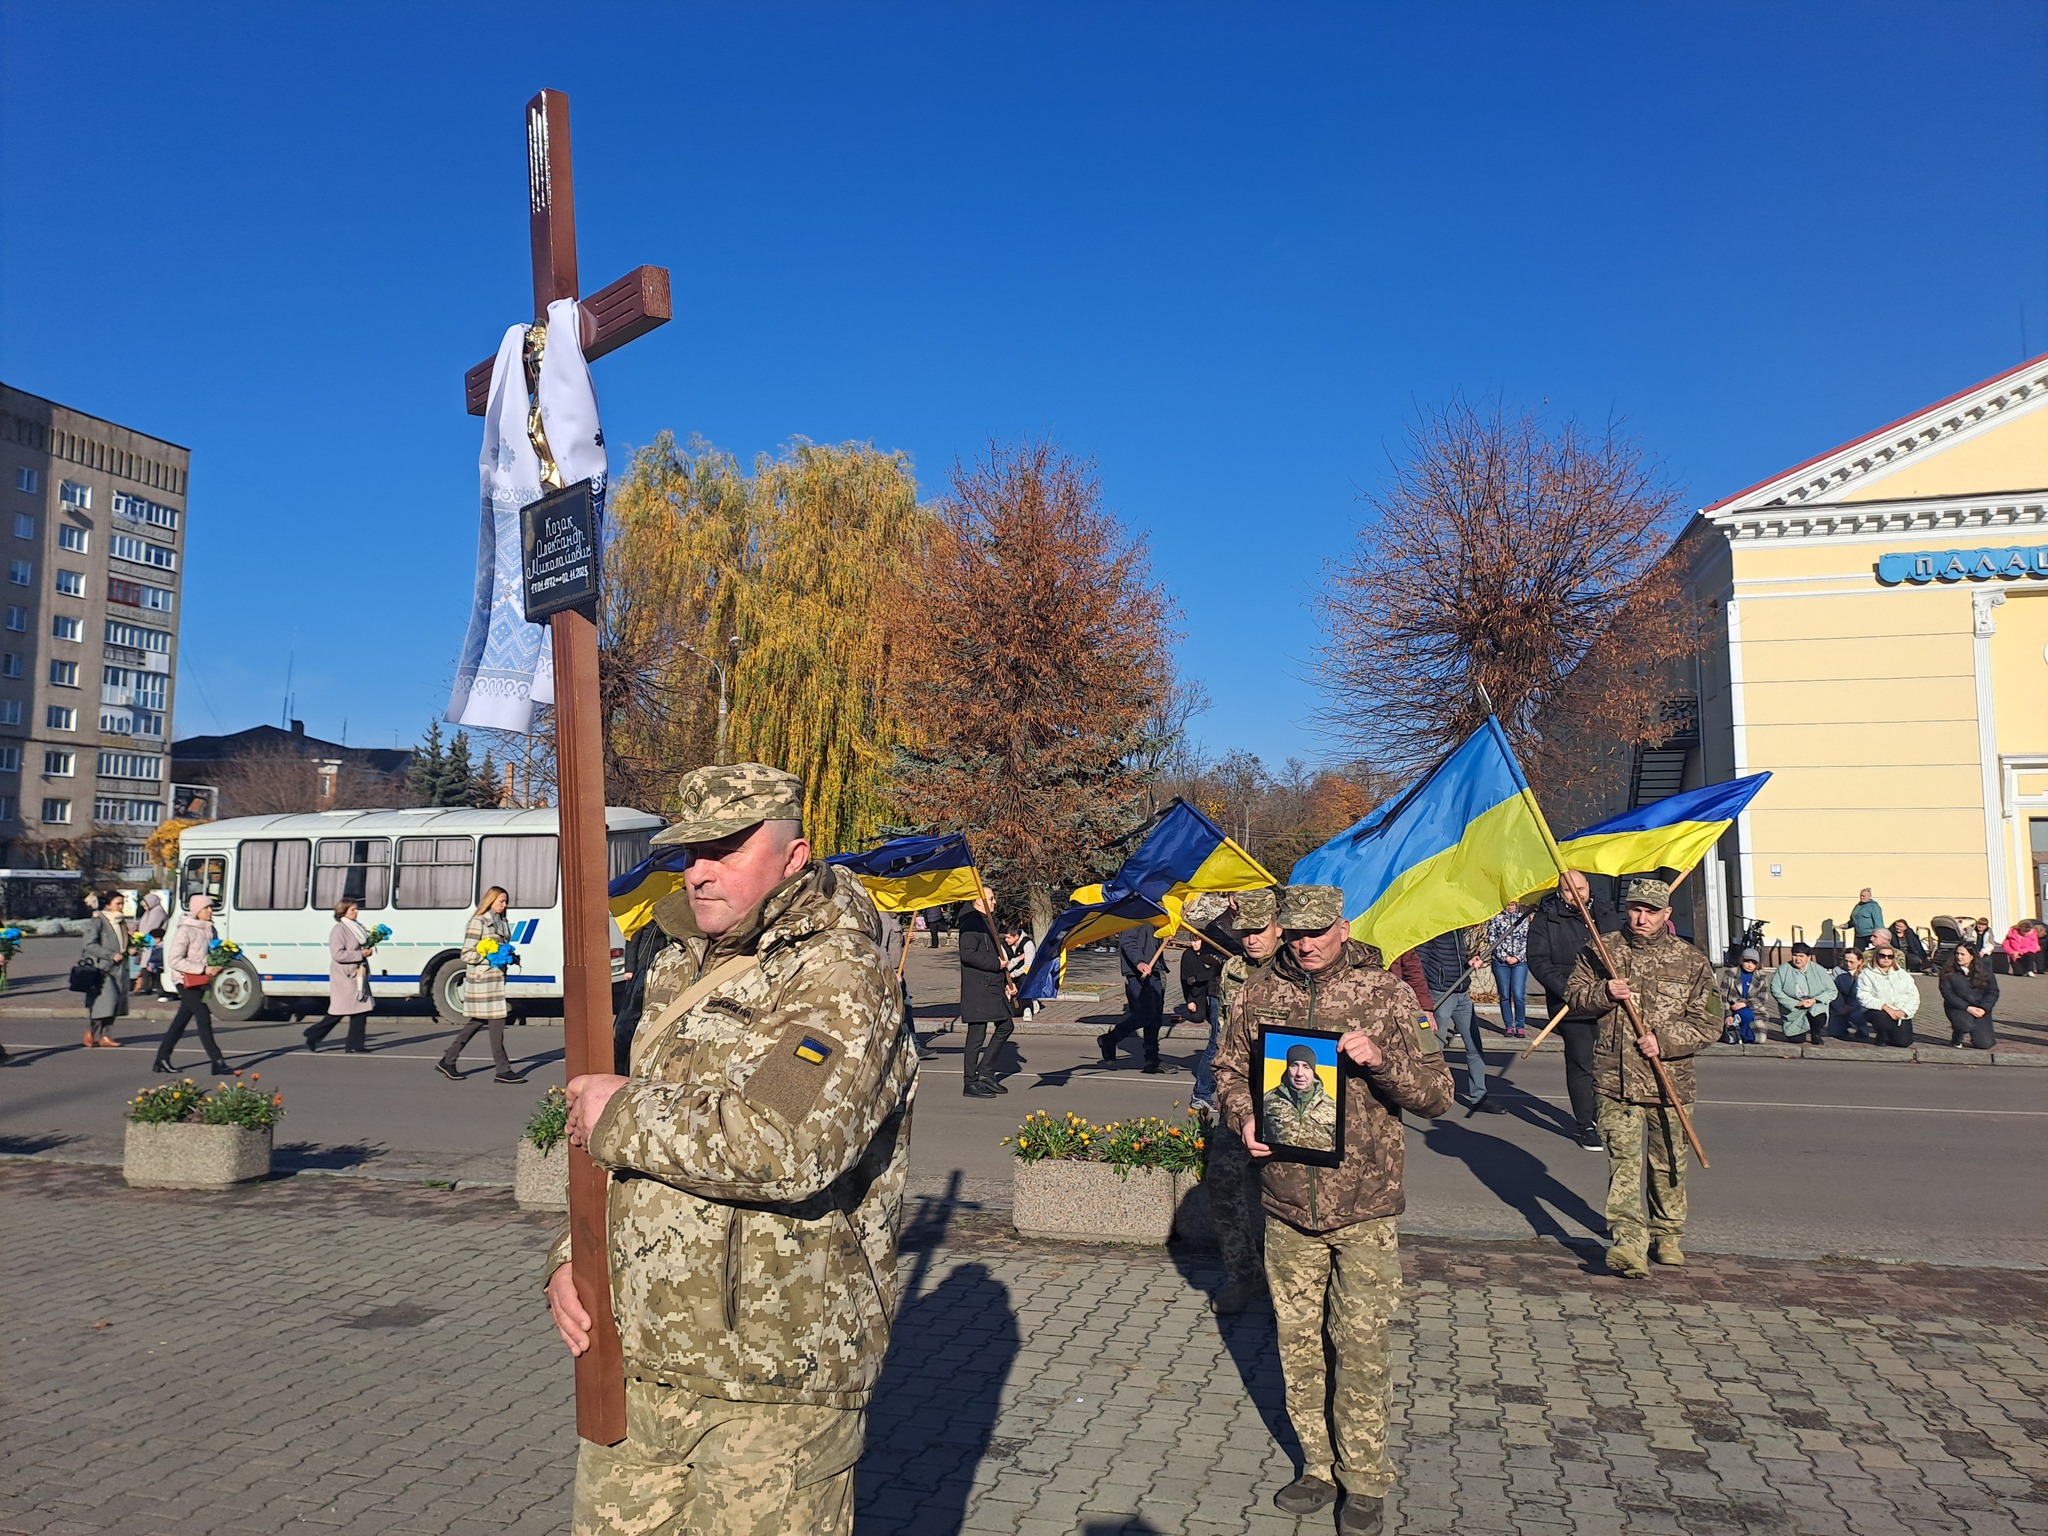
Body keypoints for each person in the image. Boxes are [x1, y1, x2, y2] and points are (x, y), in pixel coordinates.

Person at [545, 763, 915, 1536]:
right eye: (690, 852)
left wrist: (624, 1109)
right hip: (637, 1359)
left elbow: (786, 1144)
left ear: (794, 856)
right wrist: (571, 1257)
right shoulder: (672, 959)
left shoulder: (840, 976)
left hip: (774, 1382)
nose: (700, 871)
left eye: (726, 849)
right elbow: (613, 1145)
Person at [1213, 885, 1452, 1533]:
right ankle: (1317, 1467)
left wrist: (1383, 1063)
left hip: (1364, 1207)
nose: (1305, 944)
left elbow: (1438, 1094)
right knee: (1298, 1347)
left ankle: (1365, 1479)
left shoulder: (1387, 994)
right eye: (1294, 933)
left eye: (1316, 931)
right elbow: (1228, 1071)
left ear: (1343, 927)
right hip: (1287, 1200)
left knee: (1361, 1348)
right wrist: (1245, 1117)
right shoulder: (1258, 992)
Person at [1564, 874, 1721, 1278]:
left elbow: (1709, 1022)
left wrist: (1663, 1041)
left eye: (1651, 911)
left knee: (1668, 1163)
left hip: (1670, 1082)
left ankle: (1667, 1234)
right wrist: (1604, 992)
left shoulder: (1691, 961)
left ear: (1666, 914)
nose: (1641, 918)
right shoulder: (1602, 950)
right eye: (1635, 909)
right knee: (1624, 1164)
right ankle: (1629, 1243)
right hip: (1614, 1081)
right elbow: (1573, 998)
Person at [1206, 886, 1279, 1315]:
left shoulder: (1296, 966)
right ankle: (1244, 1275)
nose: (1251, 939)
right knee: (1222, 1179)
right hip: (1241, 1098)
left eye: (1259, 930)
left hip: (1288, 1094)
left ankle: (1287, 1283)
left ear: (1278, 926)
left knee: (1284, 1190)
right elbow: (1223, 1036)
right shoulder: (1233, 970)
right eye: (1244, 931)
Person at [1526, 870, 1624, 1150]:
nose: (1576, 895)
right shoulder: (1547, 918)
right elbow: (1538, 960)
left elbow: (1624, 950)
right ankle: (1586, 1124)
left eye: (1580, 889)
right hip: (1571, 1004)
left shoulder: (1605, 912)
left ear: (1588, 887)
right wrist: (1571, 991)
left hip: (1609, 999)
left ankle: (1608, 1116)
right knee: (1582, 1063)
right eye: (1569, 890)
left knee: (1611, 1062)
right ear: (1560, 892)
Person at [438, 886, 526, 1083]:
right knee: (497, 1021)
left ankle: (448, 1059)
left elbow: (501, 947)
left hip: (496, 980)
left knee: (478, 1021)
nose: (504, 905)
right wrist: (490, 955)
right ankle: (503, 1070)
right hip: (483, 981)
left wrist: (509, 957)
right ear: (490, 901)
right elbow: (467, 954)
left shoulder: (502, 922)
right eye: (501, 901)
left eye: (506, 901)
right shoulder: (478, 922)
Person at [1416, 926, 1497, 1112]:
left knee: (1474, 1046)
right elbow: (1420, 966)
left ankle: (1479, 1096)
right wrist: (1425, 1005)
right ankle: (1430, 1094)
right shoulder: (1430, 929)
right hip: (1441, 994)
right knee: (1435, 1049)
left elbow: (1455, 960)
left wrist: (1469, 962)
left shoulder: (1457, 929)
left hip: (1462, 993)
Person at [152, 895, 229, 1075]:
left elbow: (210, 954)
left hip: (200, 981)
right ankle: (217, 1061)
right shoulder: (185, 930)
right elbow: (174, 960)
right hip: (184, 980)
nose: (210, 911)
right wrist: (203, 968)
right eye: (206, 908)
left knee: (181, 1021)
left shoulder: (210, 929)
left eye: (210, 907)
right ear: (197, 911)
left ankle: (162, 1058)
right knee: (203, 1016)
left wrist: (218, 963)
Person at [956, 890, 1014, 1098]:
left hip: (993, 986)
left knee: (1006, 1026)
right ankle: (970, 1082)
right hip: (979, 989)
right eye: (990, 899)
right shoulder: (970, 923)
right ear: (977, 901)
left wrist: (1007, 981)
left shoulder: (988, 922)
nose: (994, 902)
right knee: (976, 1036)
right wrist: (996, 964)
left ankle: (986, 1073)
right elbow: (968, 954)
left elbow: (996, 951)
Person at [303, 899, 375, 1053]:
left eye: (356, 909)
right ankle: (313, 1034)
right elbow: (337, 954)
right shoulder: (339, 930)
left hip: (358, 974)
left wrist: (367, 950)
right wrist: (361, 954)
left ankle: (355, 1045)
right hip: (345, 976)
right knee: (339, 1011)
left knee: (360, 1010)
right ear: (343, 911)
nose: (356, 912)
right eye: (353, 909)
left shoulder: (356, 927)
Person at [1099, 922, 1168, 1073]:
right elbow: (1128, 942)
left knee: (1155, 1017)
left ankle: (1152, 1060)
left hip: (1154, 969)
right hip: (1138, 972)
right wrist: (1139, 962)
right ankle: (1110, 1039)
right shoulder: (1133, 917)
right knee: (1146, 1014)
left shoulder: (1154, 919)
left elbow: (1152, 942)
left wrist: (1165, 936)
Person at [79, 889, 132, 1047]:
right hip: (102, 969)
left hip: (119, 968)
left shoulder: (121, 921)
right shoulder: (98, 921)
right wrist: (110, 954)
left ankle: (106, 1036)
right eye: (118, 903)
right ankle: (92, 1031)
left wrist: (130, 949)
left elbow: (123, 942)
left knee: (115, 1003)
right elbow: (89, 944)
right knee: (107, 1001)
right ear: (108, 904)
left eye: (122, 903)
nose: (121, 907)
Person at [1482, 900, 1531, 1036]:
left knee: (1518, 994)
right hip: (1501, 963)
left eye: (1513, 905)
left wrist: (1518, 957)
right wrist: (1504, 957)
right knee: (1504, 995)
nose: (1510, 907)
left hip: (1520, 962)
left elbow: (1527, 940)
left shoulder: (1523, 919)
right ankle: (1509, 1026)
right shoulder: (1496, 919)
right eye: (1508, 905)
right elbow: (1492, 940)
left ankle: (1520, 1025)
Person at [1768, 942, 1833, 1043]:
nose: (1798, 959)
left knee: (1818, 1013)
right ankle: (1798, 1030)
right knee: (1797, 1040)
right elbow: (1775, 990)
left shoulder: (1819, 970)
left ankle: (1815, 1033)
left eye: (1801, 956)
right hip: (1794, 1009)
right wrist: (1795, 1003)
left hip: (1814, 1004)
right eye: (1795, 955)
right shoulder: (1783, 969)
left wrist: (1815, 1000)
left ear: (1808, 957)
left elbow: (1832, 990)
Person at [1856, 943, 1919, 1048]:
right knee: (1882, 1020)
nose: (1886, 959)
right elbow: (1862, 996)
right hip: (1878, 1010)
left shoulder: (1903, 974)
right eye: (1882, 956)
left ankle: (1892, 1035)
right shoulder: (1866, 974)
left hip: (1900, 1011)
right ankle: (1882, 1036)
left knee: (1904, 1042)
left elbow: (1914, 996)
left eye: (1890, 956)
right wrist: (1885, 1007)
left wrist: (1904, 1011)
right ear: (1876, 956)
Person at [1939, 941, 1999, 1050]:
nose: (1959, 957)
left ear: (1972, 956)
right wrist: (1967, 1007)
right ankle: (1957, 1037)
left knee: (1985, 1044)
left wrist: (1984, 1008)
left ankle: (1977, 1036)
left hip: (1980, 1007)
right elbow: (1948, 994)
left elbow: (1993, 991)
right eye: (1957, 954)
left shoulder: (1984, 971)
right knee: (1965, 1024)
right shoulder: (1947, 972)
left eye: (1963, 954)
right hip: (1958, 1007)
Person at [1715, 947, 1762, 1044]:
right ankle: (1735, 1033)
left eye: (1753, 963)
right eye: (1747, 961)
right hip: (1733, 1008)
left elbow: (1762, 998)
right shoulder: (1730, 973)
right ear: (1741, 960)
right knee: (1745, 1015)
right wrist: (1728, 1015)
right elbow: (1723, 996)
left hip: (1754, 1009)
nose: (1749, 965)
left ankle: (1739, 1034)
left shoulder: (1761, 977)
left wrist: (1745, 1004)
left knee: (1756, 1038)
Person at [1828, 949, 1870, 1041]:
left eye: (1852, 962)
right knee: (1835, 1032)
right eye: (1846, 961)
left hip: (1859, 1005)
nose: (1848, 964)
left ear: (1860, 961)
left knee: (1858, 1016)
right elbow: (1833, 990)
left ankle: (1862, 1027)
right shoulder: (1837, 971)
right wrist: (1840, 1007)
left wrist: (1852, 1007)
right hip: (1841, 1004)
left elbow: (1864, 993)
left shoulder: (1866, 972)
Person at [133, 890, 167, 993]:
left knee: (150, 963)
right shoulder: (151, 911)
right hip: (148, 941)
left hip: (152, 941)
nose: (144, 907)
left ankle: (147, 986)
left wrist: (142, 938)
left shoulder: (157, 912)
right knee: (147, 963)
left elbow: (151, 926)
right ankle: (147, 986)